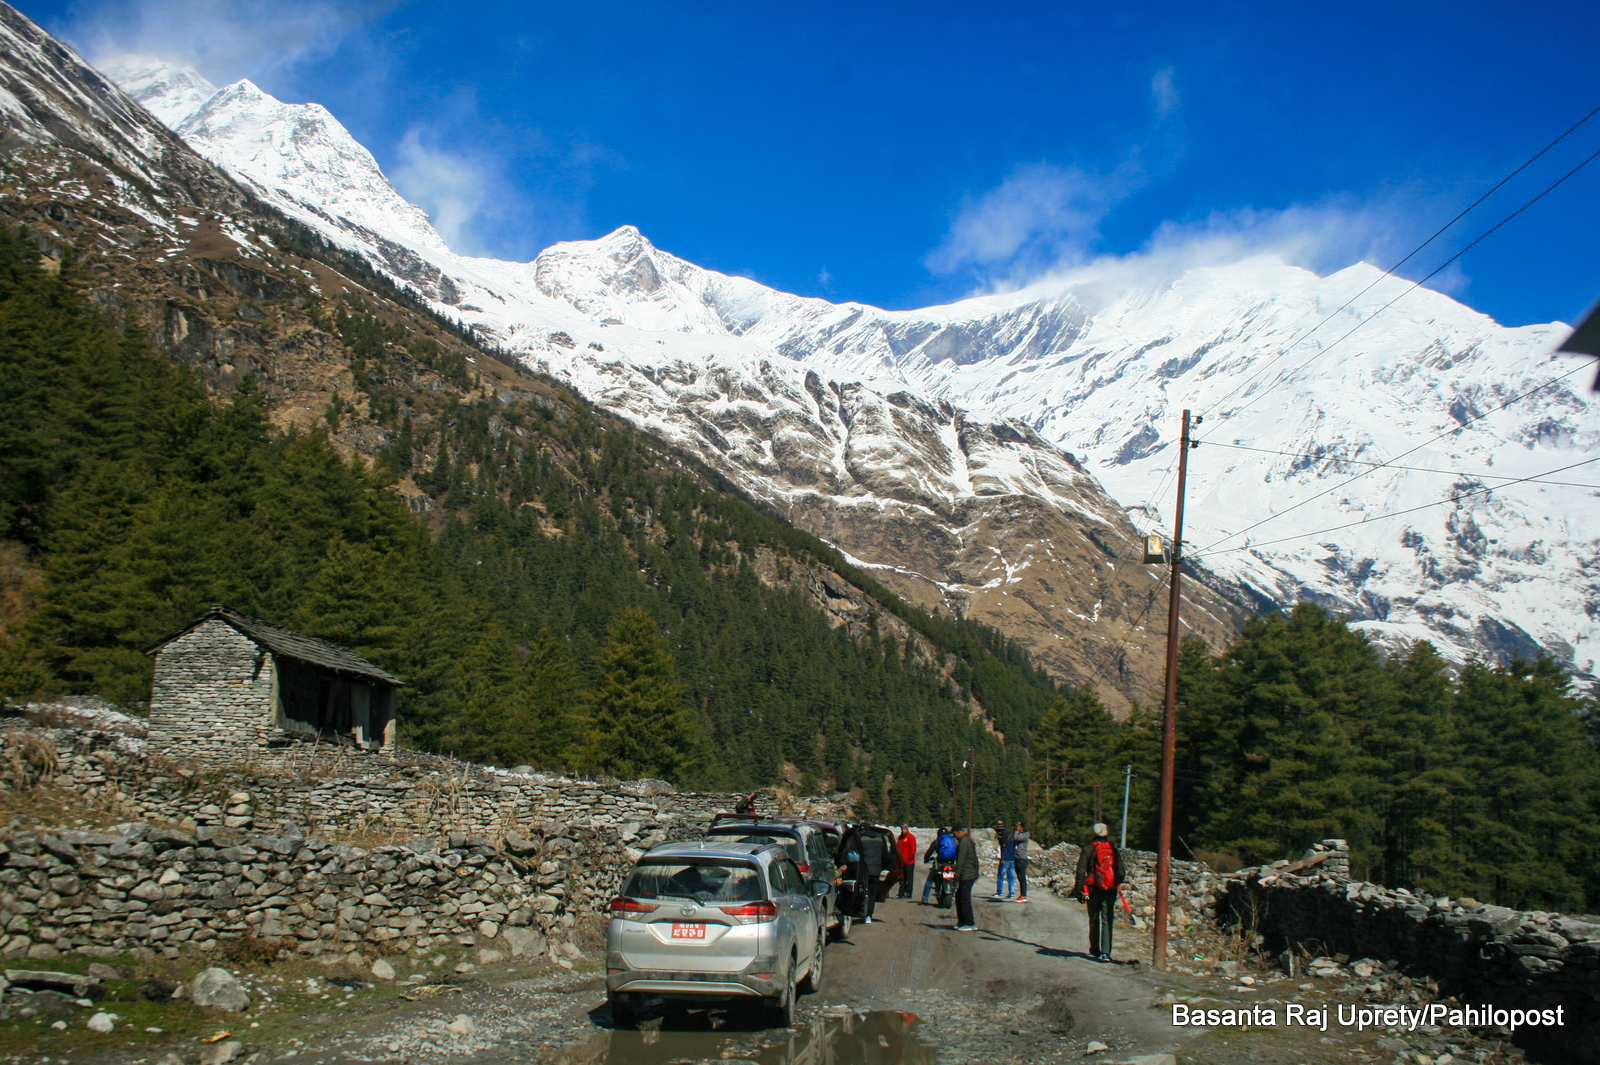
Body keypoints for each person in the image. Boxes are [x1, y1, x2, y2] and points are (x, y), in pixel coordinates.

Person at [1070, 822, 1123, 961]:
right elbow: (1122, 872)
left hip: (1093, 890)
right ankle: (1106, 952)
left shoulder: (1088, 849)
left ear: (1094, 833)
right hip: (1110, 890)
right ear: (1106, 833)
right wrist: (1113, 882)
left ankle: (1095, 949)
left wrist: (1078, 890)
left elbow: (1080, 871)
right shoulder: (1113, 848)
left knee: (1094, 920)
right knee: (1107, 920)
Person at [952, 824, 979, 931]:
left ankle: (970, 923)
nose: (954, 836)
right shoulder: (968, 840)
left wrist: (956, 875)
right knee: (959, 897)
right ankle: (962, 922)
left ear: (958, 832)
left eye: (954, 834)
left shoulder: (964, 842)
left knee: (964, 899)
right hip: (970, 873)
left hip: (966, 874)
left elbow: (960, 861)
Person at [857, 824, 887, 923]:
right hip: (875, 871)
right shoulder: (880, 839)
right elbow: (886, 855)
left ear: (864, 830)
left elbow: (856, 854)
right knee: (872, 895)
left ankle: (860, 912)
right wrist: (882, 868)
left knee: (861, 893)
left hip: (863, 871)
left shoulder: (860, 839)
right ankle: (868, 916)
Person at [921, 826, 956, 904]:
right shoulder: (953, 841)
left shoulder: (937, 841)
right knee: (955, 878)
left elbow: (929, 852)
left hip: (940, 864)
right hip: (951, 863)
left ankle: (925, 897)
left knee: (930, 880)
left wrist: (926, 858)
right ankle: (954, 891)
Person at [990, 821, 1015, 899]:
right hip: (1012, 858)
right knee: (1011, 876)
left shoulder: (1004, 836)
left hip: (1006, 859)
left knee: (1001, 875)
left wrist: (1003, 858)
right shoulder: (1010, 835)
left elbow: (1005, 847)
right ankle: (1011, 892)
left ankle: (1000, 892)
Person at [896, 826, 918, 898]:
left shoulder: (911, 837)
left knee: (909, 878)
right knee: (902, 878)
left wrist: (908, 858)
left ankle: (908, 892)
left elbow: (913, 850)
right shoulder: (900, 838)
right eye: (902, 829)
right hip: (901, 862)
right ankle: (901, 892)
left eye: (904, 829)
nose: (903, 830)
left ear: (907, 829)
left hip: (909, 862)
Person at [1012, 821, 1032, 903]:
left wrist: (1017, 831)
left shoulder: (1025, 835)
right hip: (1017, 857)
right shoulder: (1020, 834)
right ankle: (1021, 895)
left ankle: (1023, 896)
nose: (1017, 827)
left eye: (1018, 826)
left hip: (1022, 859)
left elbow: (1015, 838)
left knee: (1022, 877)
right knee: (1020, 878)